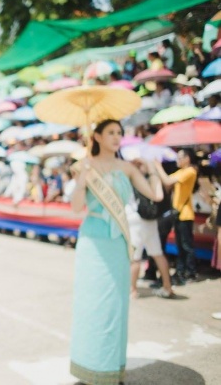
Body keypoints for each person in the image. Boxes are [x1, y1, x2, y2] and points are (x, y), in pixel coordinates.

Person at [69, 119, 162, 385]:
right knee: (92, 304)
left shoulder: (127, 168)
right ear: (96, 136)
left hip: (118, 241)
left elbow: (154, 196)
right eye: (110, 132)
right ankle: (91, 367)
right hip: (93, 242)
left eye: (119, 133)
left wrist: (152, 169)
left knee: (115, 304)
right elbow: (77, 208)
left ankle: (111, 369)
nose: (117, 137)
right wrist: (82, 181)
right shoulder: (84, 166)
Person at [126, 160, 174, 299]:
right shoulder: (152, 179)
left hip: (135, 221)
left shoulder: (130, 179)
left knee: (135, 258)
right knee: (157, 254)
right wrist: (152, 168)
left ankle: (132, 290)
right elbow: (159, 196)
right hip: (150, 221)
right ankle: (167, 286)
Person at [154, 149, 198, 285]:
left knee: (186, 245)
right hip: (178, 213)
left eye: (180, 157)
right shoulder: (181, 172)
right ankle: (181, 271)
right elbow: (167, 182)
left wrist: (157, 166)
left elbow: (167, 180)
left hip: (185, 214)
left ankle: (190, 272)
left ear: (187, 159)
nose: (177, 160)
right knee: (180, 245)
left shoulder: (190, 171)